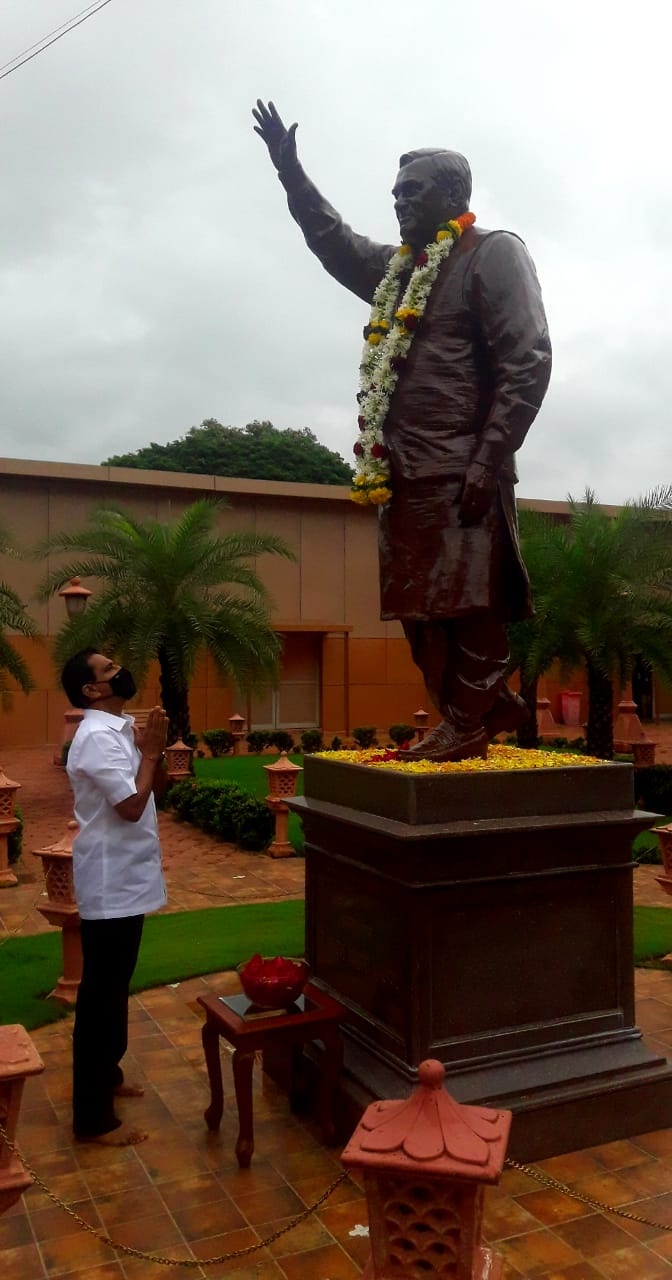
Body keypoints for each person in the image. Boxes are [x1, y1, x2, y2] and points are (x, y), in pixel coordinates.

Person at [253, 101, 552, 762]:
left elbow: (527, 360)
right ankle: (484, 705)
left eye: (412, 192)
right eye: (395, 195)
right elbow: (333, 241)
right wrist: (291, 175)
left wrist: (488, 458)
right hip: (404, 472)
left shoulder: (493, 254)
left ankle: (469, 717)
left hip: (463, 466)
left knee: (467, 601)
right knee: (418, 611)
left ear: (454, 196)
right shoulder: (402, 271)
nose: (399, 203)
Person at [61, 649, 168, 1146]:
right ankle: (92, 1119)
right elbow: (129, 806)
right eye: (108, 670)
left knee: (115, 985)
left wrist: (151, 752)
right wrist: (152, 754)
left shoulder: (120, 729)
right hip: (109, 880)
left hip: (129, 876)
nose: (119, 671)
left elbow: (152, 790)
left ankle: (109, 1074)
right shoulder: (95, 738)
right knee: (100, 995)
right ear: (91, 690)